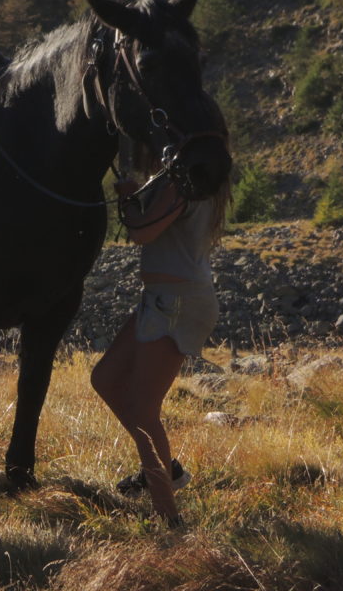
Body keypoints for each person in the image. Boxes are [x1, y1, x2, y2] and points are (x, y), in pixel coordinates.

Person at [90, 138, 231, 526]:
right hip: (166, 299)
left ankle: (168, 517)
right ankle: (165, 472)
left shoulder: (182, 184)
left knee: (141, 408)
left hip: (175, 303)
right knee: (104, 378)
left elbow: (141, 231)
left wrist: (127, 198)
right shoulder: (204, 183)